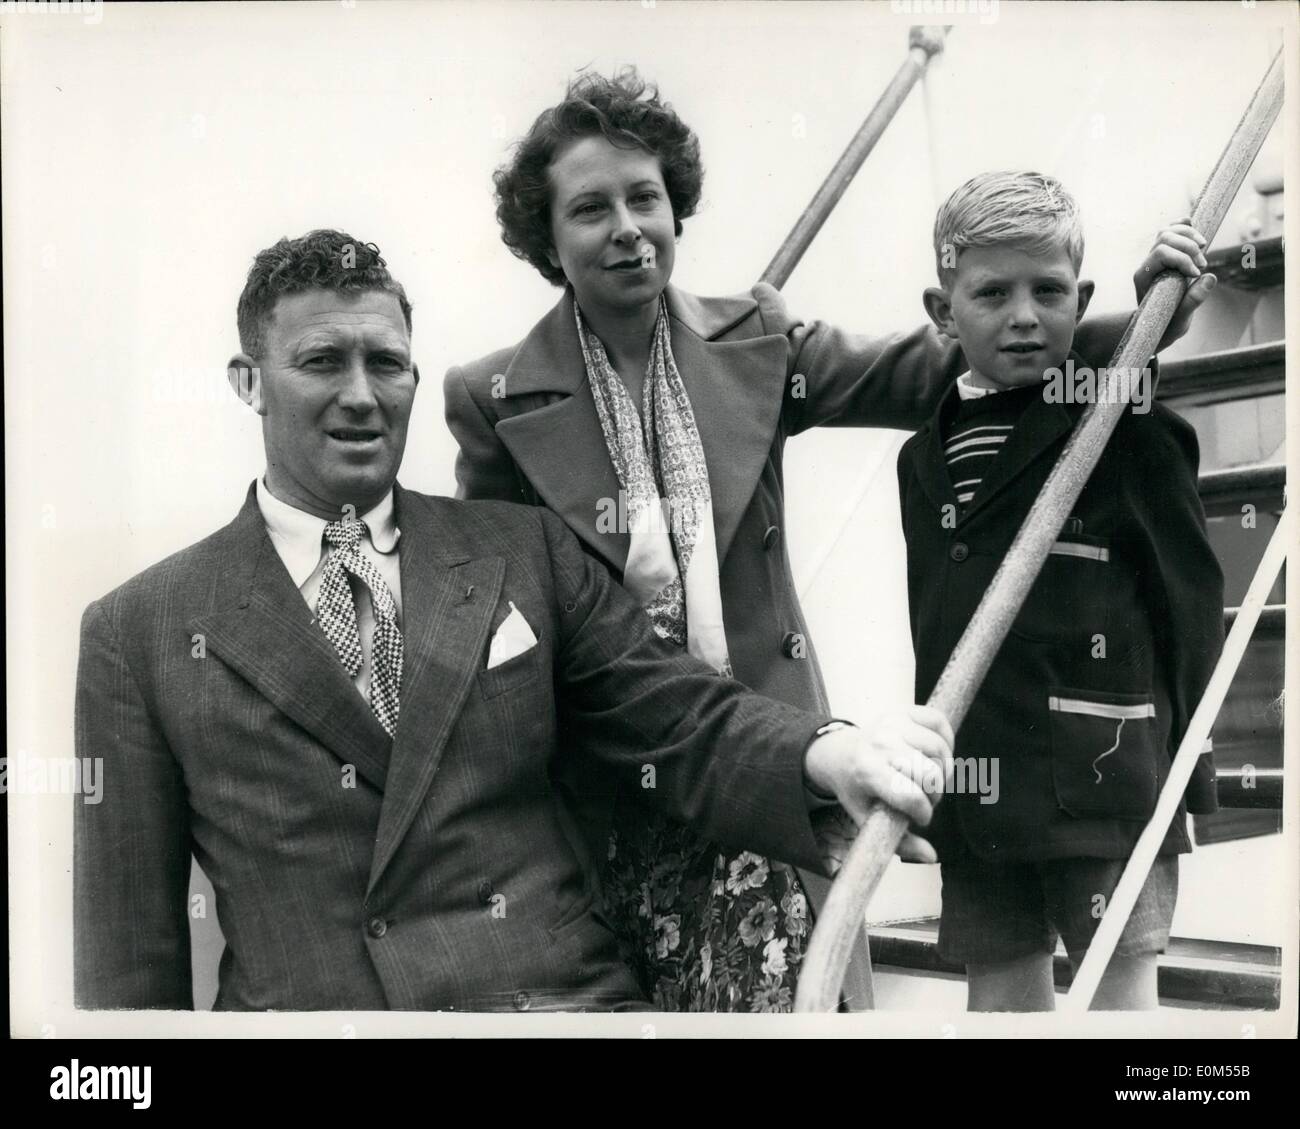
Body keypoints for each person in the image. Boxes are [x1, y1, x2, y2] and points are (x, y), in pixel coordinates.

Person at [443, 69, 1215, 1011]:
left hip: (766, 769)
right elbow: (499, 617)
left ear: (675, 208)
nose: (628, 228)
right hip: (607, 786)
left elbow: (938, 360)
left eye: (645, 198)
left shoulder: (757, 340)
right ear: (547, 236)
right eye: (590, 208)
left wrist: (1146, 321)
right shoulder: (493, 397)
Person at [73, 229, 955, 1013]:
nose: (361, 394)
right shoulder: (139, 631)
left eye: (386, 363)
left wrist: (830, 753)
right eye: (321, 361)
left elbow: (681, 717)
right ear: (248, 383)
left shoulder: (522, 551)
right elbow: (128, 967)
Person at [896, 172, 1224, 1011]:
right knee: (1000, 1002)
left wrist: (1191, 764)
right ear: (942, 311)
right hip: (979, 789)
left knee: (1120, 1001)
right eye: (992, 293)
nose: (1023, 316)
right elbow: (934, 625)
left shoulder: (1119, 421)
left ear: (1081, 301)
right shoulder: (921, 458)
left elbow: (1188, 598)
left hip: (1103, 781)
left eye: (1048, 291)